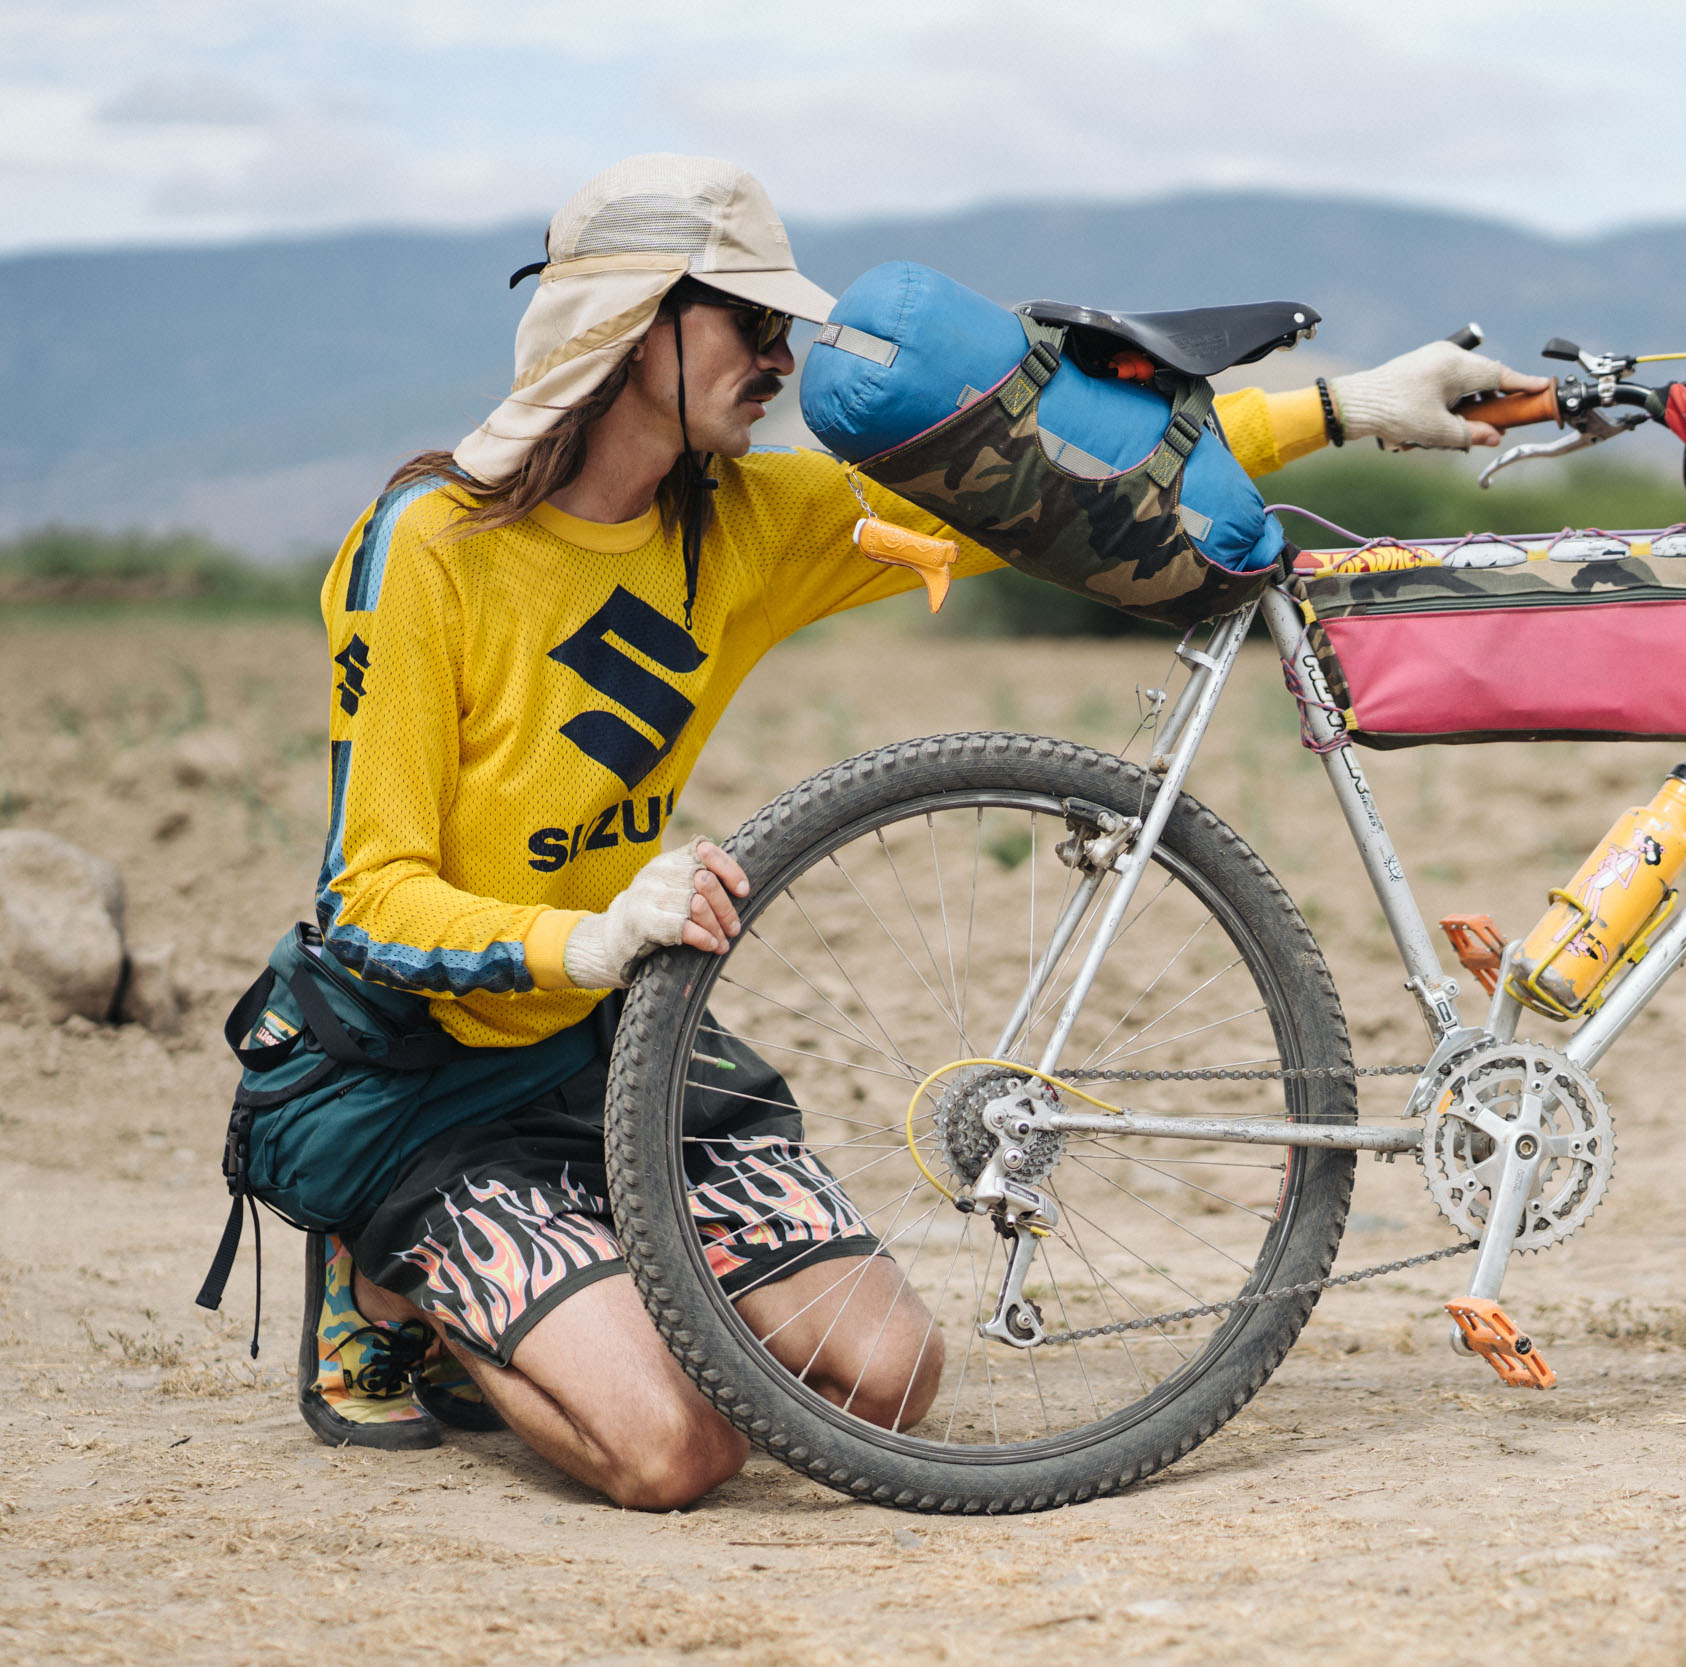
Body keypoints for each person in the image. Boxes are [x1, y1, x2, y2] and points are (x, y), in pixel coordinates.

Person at [292, 153, 1547, 1509]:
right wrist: (595, 937)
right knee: (673, 1455)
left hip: (609, 1049)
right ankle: (394, 1277)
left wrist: (1350, 405)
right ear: (634, 320)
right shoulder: (427, 546)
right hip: (429, 1074)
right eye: (748, 321)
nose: (784, 353)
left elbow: (1054, 476)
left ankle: (578, 1250)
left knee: (886, 1378)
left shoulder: (745, 525)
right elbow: (372, 900)